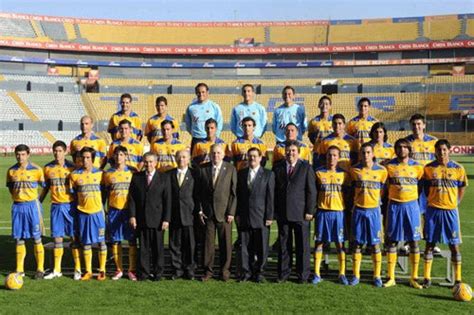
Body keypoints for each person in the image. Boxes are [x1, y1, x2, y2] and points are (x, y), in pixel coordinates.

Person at [422, 139, 468, 288]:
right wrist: (431, 199)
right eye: (439, 150)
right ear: (435, 151)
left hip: (450, 211)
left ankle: (458, 278)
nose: (441, 153)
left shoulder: (458, 168)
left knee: (454, 245)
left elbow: (462, 187)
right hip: (433, 210)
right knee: (429, 244)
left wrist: (456, 202)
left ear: (449, 150)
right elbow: (425, 188)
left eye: (444, 150)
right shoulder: (428, 168)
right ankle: (427, 278)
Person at [273, 140, 316, 283]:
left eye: (293, 151)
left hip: (301, 214)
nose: (290, 153)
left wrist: (310, 210)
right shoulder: (277, 167)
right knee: (284, 246)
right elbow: (274, 192)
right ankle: (283, 274)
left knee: (302, 247)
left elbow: (311, 191)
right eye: (288, 150)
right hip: (283, 213)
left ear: (298, 152)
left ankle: (302, 275)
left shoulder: (306, 168)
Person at [384, 139, 424, 289]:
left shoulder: (418, 167)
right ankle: (391, 277)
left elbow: (420, 186)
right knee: (392, 240)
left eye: (404, 147)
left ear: (409, 149)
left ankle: (414, 278)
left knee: (414, 241)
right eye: (399, 147)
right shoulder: (389, 166)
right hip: (394, 205)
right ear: (395, 149)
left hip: (412, 206)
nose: (402, 150)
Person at [348, 143, 387, 287]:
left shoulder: (382, 171)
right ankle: (356, 275)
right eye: (363, 152)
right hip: (359, 209)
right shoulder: (354, 170)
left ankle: (377, 275)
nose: (365, 155)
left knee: (375, 244)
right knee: (357, 244)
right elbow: (351, 189)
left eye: (368, 152)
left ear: (373, 154)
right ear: (360, 154)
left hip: (374, 211)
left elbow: (382, 190)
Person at [197, 143, 237, 282]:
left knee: (226, 244)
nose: (216, 155)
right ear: (210, 154)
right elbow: (198, 193)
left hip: (224, 213)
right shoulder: (203, 169)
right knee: (208, 245)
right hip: (208, 213)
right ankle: (208, 271)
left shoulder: (230, 168)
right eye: (213, 153)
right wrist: (200, 210)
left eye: (219, 153)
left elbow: (233, 193)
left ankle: (225, 271)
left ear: (223, 154)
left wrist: (231, 212)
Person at [40, 141, 79, 280]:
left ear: (65, 152)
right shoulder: (48, 168)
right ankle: (57, 269)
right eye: (55, 151)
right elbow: (45, 188)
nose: (57, 153)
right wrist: (38, 202)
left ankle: (78, 269)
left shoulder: (73, 168)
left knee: (74, 238)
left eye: (60, 151)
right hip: (56, 206)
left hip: (70, 206)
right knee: (57, 238)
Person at [129, 152, 171, 281]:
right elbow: (132, 199)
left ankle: (158, 273)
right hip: (141, 219)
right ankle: (144, 273)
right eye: (146, 162)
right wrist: (132, 216)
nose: (148, 164)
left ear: (156, 163)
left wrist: (166, 219)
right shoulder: (136, 177)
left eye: (151, 162)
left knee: (158, 248)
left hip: (158, 219)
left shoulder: (164, 178)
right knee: (144, 248)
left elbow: (167, 200)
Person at [312, 146, 350, 286]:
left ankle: (342, 273)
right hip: (323, 212)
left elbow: (348, 193)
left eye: (334, 155)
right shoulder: (318, 173)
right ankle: (316, 273)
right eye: (329, 155)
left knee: (340, 243)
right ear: (325, 157)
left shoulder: (345, 175)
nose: (331, 158)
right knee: (319, 242)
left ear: (338, 157)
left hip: (338, 212)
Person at [236, 147, 274, 283]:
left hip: (261, 216)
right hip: (245, 216)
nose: (252, 158)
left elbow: (270, 197)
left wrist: (269, 216)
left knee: (262, 247)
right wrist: (238, 214)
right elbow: (239, 196)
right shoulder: (241, 173)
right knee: (245, 247)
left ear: (260, 158)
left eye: (255, 156)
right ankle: (246, 273)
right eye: (250, 156)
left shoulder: (268, 174)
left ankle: (259, 273)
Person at [7, 144, 46, 279]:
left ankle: (40, 269)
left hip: (32, 207)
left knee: (36, 238)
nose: (20, 157)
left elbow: (44, 186)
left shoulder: (36, 170)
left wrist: (37, 199)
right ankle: (19, 269)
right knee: (19, 238)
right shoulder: (11, 171)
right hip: (18, 206)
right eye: (18, 154)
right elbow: (11, 188)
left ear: (28, 154)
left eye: (23, 154)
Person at [68, 147, 107, 281]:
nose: (85, 160)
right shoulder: (74, 175)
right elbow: (72, 195)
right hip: (83, 213)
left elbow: (105, 192)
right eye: (83, 157)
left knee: (101, 242)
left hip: (97, 213)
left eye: (88, 157)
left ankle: (102, 270)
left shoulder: (101, 174)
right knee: (86, 243)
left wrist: (102, 205)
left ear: (93, 159)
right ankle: (88, 271)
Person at [103, 146, 138, 281]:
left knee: (131, 240)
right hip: (114, 210)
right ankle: (119, 269)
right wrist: (104, 208)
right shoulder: (108, 174)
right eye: (117, 155)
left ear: (126, 156)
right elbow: (105, 192)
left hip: (129, 211)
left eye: (121, 155)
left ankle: (131, 270)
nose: (119, 157)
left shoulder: (133, 172)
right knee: (115, 240)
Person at [168, 150, 198, 280]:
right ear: (175, 158)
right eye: (179, 157)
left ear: (189, 159)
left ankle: (190, 269)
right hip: (174, 214)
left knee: (190, 245)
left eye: (184, 157)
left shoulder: (194, 174)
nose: (181, 159)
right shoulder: (169, 175)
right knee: (175, 244)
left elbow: (197, 194)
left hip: (189, 214)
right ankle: (177, 269)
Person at [185, 83, 223, 152]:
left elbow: (219, 122)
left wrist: (215, 136)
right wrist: (194, 133)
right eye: (199, 92)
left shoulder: (214, 106)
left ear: (207, 92)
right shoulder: (191, 107)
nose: (201, 94)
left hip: (211, 139)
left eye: (203, 92)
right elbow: (188, 124)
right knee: (195, 161)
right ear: (196, 93)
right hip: (196, 139)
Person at [308, 96, 333, 169]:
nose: (324, 106)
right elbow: (311, 136)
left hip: (331, 153)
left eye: (326, 104)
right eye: (322, 103)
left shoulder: (334, 121)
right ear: (319, 105)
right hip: (318, 153)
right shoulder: (313, 121)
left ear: (330, 106)